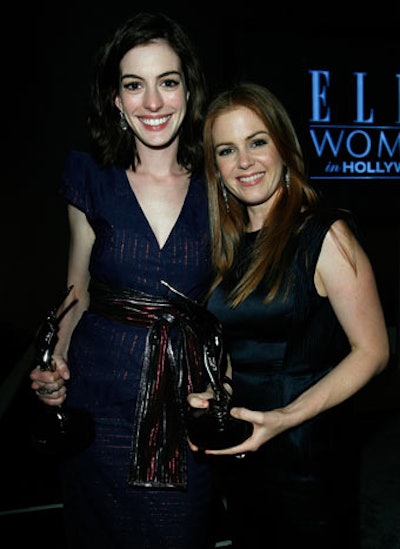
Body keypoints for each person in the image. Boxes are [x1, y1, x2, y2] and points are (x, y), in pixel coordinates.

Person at [29, 11, 218, 549]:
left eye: (168, 82)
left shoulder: (219, 179)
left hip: (185, 405)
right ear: (114, 97)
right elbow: (77, 288)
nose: (153, 103)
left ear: (189, 89)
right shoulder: (90, 176)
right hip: (99, 400)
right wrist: (54, 362)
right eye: (134, 85)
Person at [187, 82, 390, 549]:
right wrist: (216, 392)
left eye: (257, 141)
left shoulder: (325, 235)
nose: (244, 161)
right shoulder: (227, 247)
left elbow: (374, 352)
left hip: (306, 456)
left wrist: (284, 417)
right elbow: (241, 348)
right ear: (215, 168)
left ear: (283, 145)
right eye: (226, 150)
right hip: (243, 452)